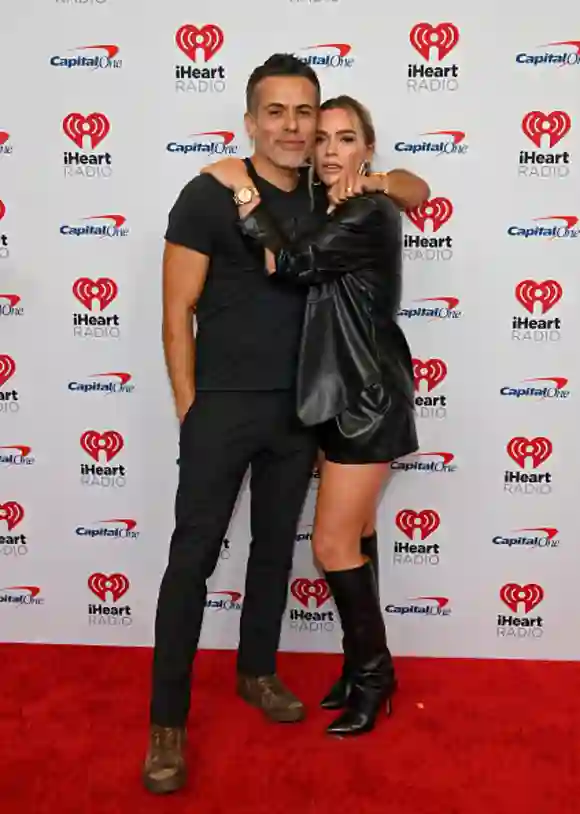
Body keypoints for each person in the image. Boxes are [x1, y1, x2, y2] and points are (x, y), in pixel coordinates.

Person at [143, 54, 429, 794]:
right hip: (222, 406)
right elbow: (176, 311)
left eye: (306, 114)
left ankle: (258, 672)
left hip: (303, 408)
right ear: (251, 120)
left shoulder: (325, 192)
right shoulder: (208, 195)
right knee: (191, 561)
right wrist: (188, 404)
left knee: (276, 550)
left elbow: (411, 189)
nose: (296, 128)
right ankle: (166, 725)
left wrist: (385, 178)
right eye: (279, 113)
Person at [200, 94, 420, 738]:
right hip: (339, 394)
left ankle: (375, 676)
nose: (329, 150)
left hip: (364, 399)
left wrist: (243, 193)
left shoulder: (365, 210)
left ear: (367, 149)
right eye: (322, 138)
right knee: (356, 539)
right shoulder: (334, 207)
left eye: (346, 139)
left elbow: (289, 263)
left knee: (330, 544)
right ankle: (360, 668)